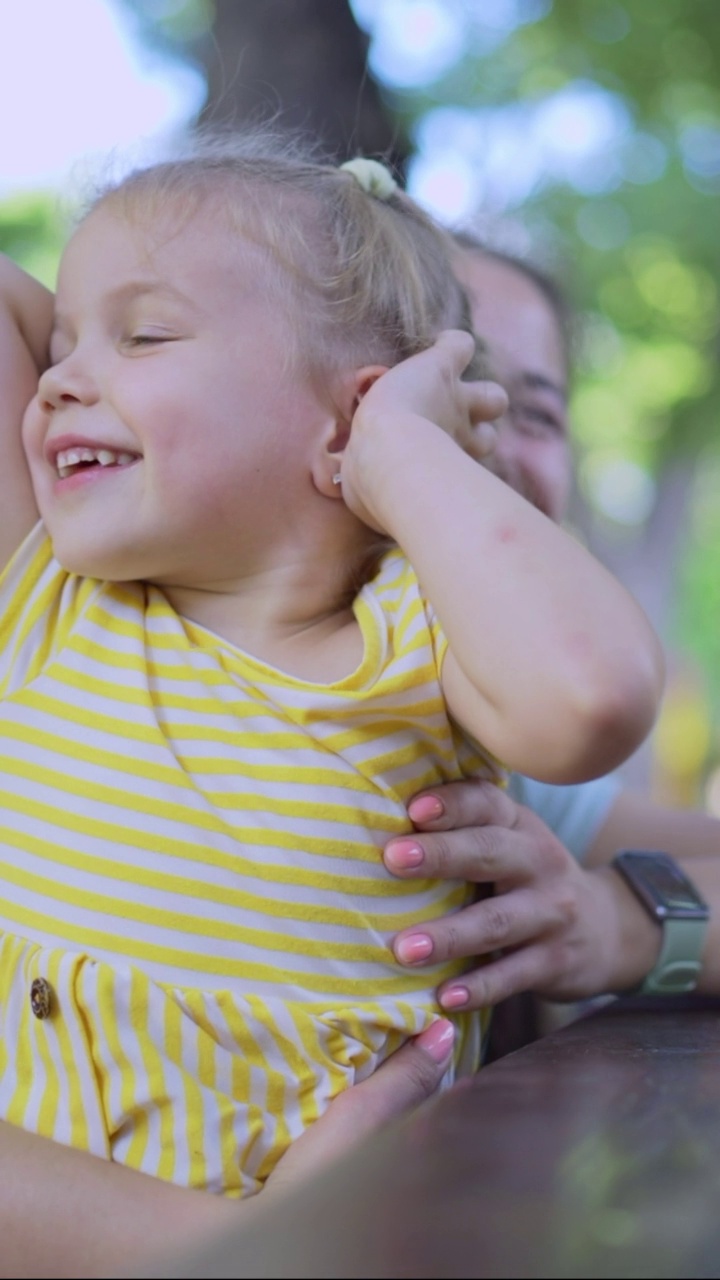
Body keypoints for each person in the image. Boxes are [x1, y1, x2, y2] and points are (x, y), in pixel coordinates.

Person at [0, 129, 662, 1213]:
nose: (60, 380)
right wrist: (116, 308)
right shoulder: (47, 599)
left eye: (146, 333)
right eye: (63, 340)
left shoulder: (424, 648)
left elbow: (596, 696)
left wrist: (404, 453)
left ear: (349, 418)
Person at [382, 239, 720, 1025]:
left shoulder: (489, 762)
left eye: (534, 410)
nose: (487, 433)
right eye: (437, 381)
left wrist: (621, 922)